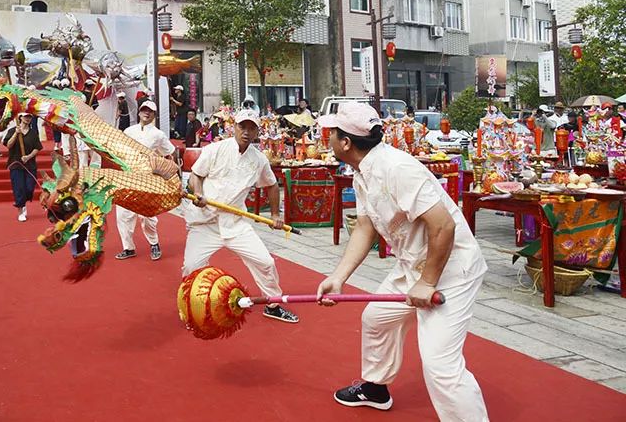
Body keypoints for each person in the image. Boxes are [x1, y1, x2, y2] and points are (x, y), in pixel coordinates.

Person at [315, 102, 488, 419]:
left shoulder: (397, 168)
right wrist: (338, 277)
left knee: (440, 366)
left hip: (451, 269)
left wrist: (427, 282)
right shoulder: (362, 173)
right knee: (376, 319)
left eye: (332, 133)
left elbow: (444, 225)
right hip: (415, 264)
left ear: (345, 142)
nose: (327, 138)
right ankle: (376, 388)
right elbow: (365, 228)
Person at [184, 110, 298, 324]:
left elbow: (272, 185)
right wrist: (198, 193)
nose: (246, 132)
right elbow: (196, 176)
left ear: (257, 131)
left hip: (235, 222)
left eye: (251, 128)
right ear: (233, 127)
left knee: (265, 262)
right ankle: (192, 308)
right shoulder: (215, 149)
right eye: (242, 127)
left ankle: (272, 304)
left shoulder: (258, 160)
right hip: (205, 222)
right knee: (191, 267)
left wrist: (275, 214)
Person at [116, 101, 175, 261]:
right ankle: (128, 247)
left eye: (150, 111)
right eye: (144, 110)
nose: (146, 113)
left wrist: (170, 173)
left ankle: (154, 244)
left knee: (147, 215)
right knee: (123, 214)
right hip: (128, 177)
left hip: (148, 179)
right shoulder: (128, 131)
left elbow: (170, 153)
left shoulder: (158, 135)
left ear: (154, 115)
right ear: (139, 112)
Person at [3, 113, 42, 222]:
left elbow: (37, 148)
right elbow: (8, 145)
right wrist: (16, 133)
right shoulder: (12, 131)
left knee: (29, 187)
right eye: (26, 116)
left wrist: (29, 156)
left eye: (30, 117)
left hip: (30, 164)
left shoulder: (33, 133)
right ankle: (20, 210)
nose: (28, 119)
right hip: (15, 163)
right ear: (20, 117)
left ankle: (23, 202)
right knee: (19, 188)